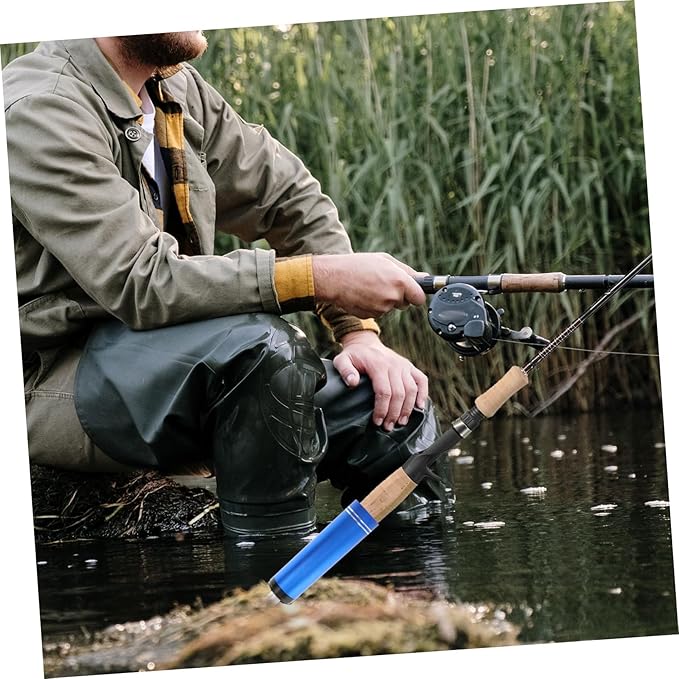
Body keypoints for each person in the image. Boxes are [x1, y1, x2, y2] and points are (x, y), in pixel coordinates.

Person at [3, 31, 449, 537]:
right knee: (260, 351)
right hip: (49, 379)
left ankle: (412, 573)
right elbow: (142, 281)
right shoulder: (40, 108)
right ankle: (273, 570)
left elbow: (288, 198)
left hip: (172, 363)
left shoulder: (175, 88)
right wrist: (320, 278)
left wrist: (358, 333)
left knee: (393, 404)